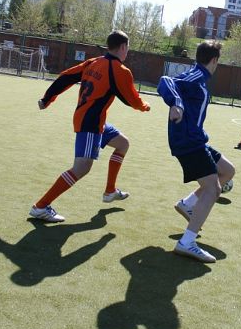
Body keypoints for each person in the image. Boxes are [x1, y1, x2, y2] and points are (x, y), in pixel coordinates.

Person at [29, 30, 151, 223]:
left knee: (123, 144)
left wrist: (47, 99)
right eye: (127, 48)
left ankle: (110, 191)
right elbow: (132, 100)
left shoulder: (93, 62)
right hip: (90, 124)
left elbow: (66, 77)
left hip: (94, 120)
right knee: (82, 168)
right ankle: (41, 206)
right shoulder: (120, 70)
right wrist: (145, 106)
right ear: (122, 47)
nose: (127, 51)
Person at [157, 40, 235, 264]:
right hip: (188, 142)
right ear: (214, 60)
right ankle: (187, 242)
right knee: (213, 189)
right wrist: (177, 103)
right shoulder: (196, 77)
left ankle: (188, 204)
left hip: (196, 139)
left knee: (227, 170)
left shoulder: (198, 77)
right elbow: (166, 80)